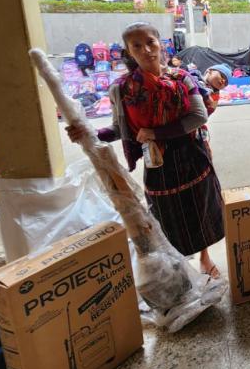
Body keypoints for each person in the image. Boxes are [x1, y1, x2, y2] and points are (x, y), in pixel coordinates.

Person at [66, 22, 225, 277]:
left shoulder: (182, 78)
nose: (146, 50)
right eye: (137, 46)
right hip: (157, 162)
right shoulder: (122, 89)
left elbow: (198, 116)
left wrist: (156, 133)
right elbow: (120, 129)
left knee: (199, 208)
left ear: (160, 43)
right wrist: (89, 134)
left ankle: (205, 258)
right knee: (166, 216)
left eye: (150, 42)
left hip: (191, 155)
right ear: (129, 51)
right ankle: (180, 266)